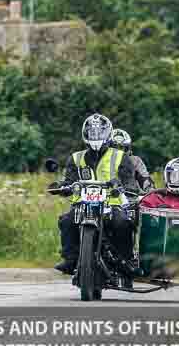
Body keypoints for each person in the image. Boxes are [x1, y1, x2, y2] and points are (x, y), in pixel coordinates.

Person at [47, 114, 142, 275]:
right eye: (92, 132)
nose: (96, 136)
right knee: (66, 220)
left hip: (112, 203)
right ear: (86, 134)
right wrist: (61, 186)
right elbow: (69, 179)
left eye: (99, 132)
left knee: (123, 223)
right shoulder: (76, 158)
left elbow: (129, 180)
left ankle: (125, 260)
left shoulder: (120, 156)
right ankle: (70, 259)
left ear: (107, 133)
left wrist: (127, 187)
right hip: (82, 204)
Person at [110, 128, 154, 193]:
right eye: (115, 148)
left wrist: (150, 190)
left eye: (123, 148)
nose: (119, 152)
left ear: (128, 148)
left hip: (129, 197)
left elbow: (144, 179)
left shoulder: (135, 160)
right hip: (102, 196)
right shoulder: (99, 160)